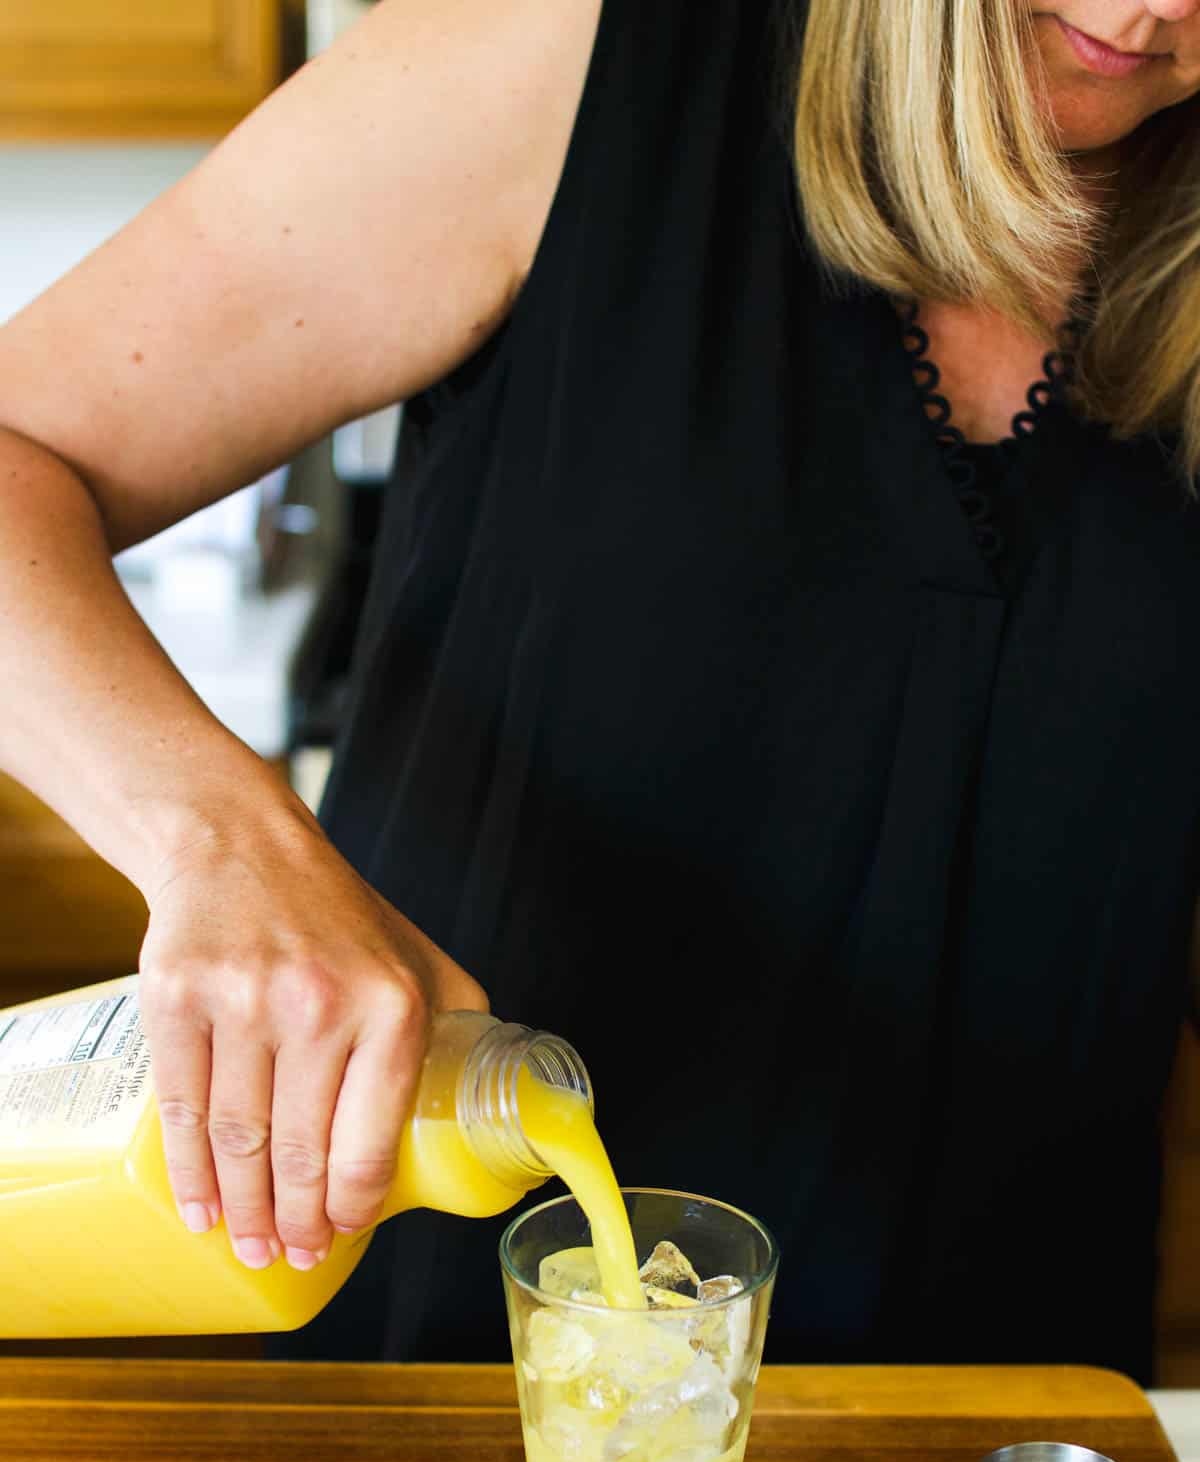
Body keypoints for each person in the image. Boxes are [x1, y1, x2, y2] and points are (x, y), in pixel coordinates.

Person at [1, 0, 1198, 1379]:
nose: (1143, 7)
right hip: (449, 1375)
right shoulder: (566, 54)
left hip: (1007, 1422)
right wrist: (225, 845)